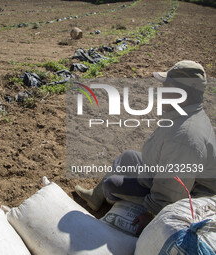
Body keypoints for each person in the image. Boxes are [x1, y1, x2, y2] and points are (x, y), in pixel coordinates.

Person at [75, 60, 216, 236]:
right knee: (128, 157)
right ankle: (95, 198)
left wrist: (152, 213)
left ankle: (106, 194)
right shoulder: (184, 114)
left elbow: (174, 191)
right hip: (162, 173)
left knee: (111, 185)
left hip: (188, 197)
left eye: (166, 87)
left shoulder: (185, 137)